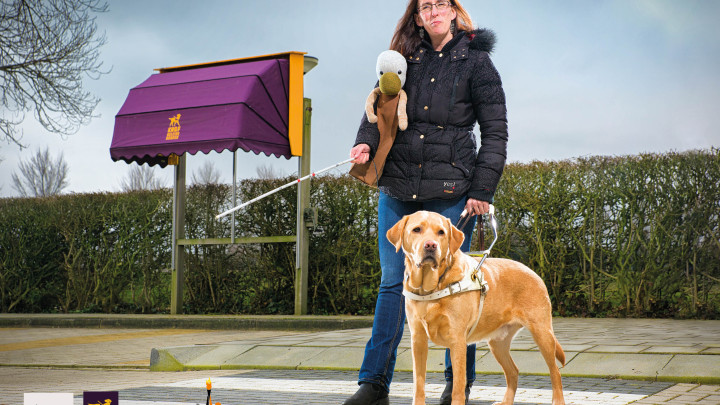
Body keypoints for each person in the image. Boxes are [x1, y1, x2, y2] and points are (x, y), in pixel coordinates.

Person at [345, 0, 508, 404]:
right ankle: (373, 385)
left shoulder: (477, 63)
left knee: (456, 289)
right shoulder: (403, 60)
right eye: (425, 6)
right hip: (399, 190)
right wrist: (364, 143)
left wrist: (482, 191)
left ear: (454, 12)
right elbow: (378, 108)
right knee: (391, 285)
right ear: (418, 16)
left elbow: (496, 131)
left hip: (453, 193)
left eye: (441, 4)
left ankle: (457, 389)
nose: (433, 12)